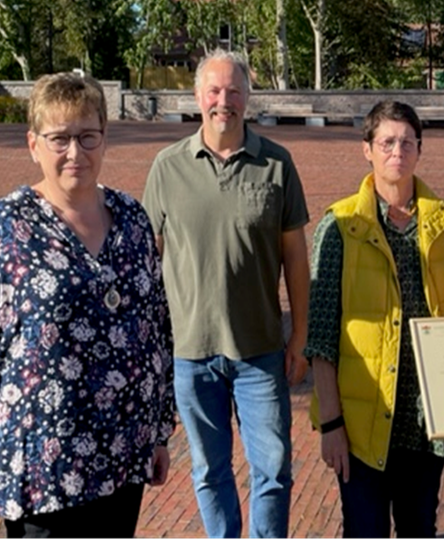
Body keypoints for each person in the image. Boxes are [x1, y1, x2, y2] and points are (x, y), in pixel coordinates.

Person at [0, 72, 175, 539]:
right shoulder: (5, 228)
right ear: (33, 144)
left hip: (121, 462)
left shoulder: (131, 221)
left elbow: (156, 327)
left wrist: (159, 430)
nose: (74, 152)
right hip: (43, 474)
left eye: (87, 136)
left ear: (104, 139)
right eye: (59, 138)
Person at [141, 48, 310, 539]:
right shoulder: (167, 167)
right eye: (214, 91)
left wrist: (298, 335)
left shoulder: (276, 164)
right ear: (198, 97)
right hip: (190, 352)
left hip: (260, 350)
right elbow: (148, 262)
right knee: (209, 471)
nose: (224, 101)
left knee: (273, 469)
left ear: (247, 98)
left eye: (234, 91)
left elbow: (296, 258)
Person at [305, 101, 444, 539]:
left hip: (426, 423)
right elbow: (322, 337)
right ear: (366, 149)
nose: (397, 150)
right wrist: (331, 425)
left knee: (420, 528)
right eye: (386, 141)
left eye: (407, 141)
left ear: (420, 149)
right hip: (364, 425)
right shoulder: (340, 225)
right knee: (364, 531)